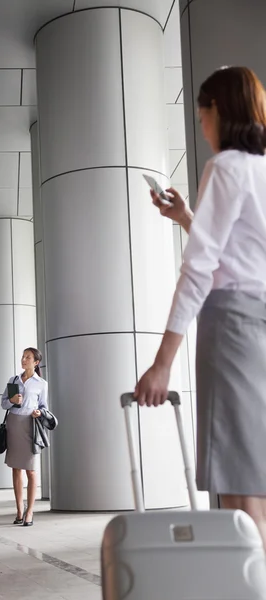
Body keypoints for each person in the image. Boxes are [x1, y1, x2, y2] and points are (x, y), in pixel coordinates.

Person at [135, 66, 266, 548]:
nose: (203, 126)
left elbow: (200, 271)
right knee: (259, 484)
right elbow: (244, 258)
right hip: (260, 327)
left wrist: (161, 363)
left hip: (232, 332)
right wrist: (188, 217)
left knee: (242, 499)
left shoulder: (227, 167)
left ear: (218, 112)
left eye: (202, 116)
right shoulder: (262, 169)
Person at [1, 347, 48, 527]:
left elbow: (44, 407)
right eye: (23, 357)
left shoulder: (41, 383)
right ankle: (19, 510)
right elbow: (4, 403)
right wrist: (12, 401)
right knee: (16, 468)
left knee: (31, 469)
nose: (24, 359)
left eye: (28, 357)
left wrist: (39, 412)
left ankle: (30, 512)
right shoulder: (13, 380)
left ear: (36, 362)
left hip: (30, 425)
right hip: (14, 424)